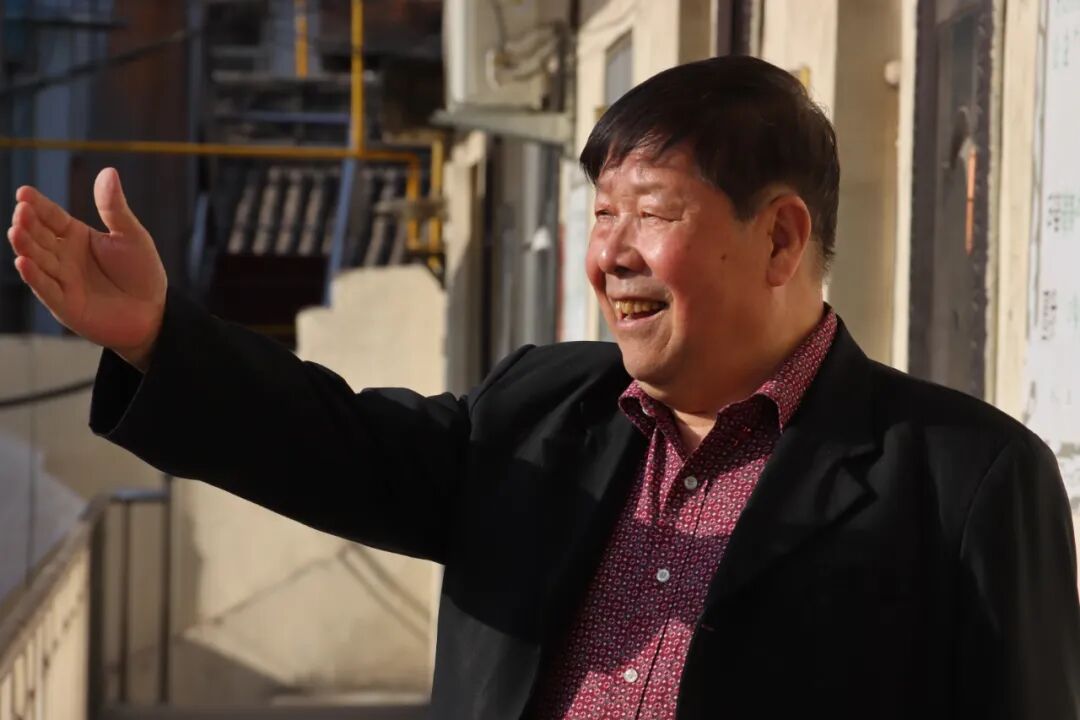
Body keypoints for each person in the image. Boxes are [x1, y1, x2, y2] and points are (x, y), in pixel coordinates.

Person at [7, 56, 1079, 719]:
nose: (609, 254)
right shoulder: (540, 409)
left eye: (650, 211)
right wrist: (159, 335)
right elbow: (334, 445)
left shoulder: (965, 483)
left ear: (781, 237)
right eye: (600, 213)